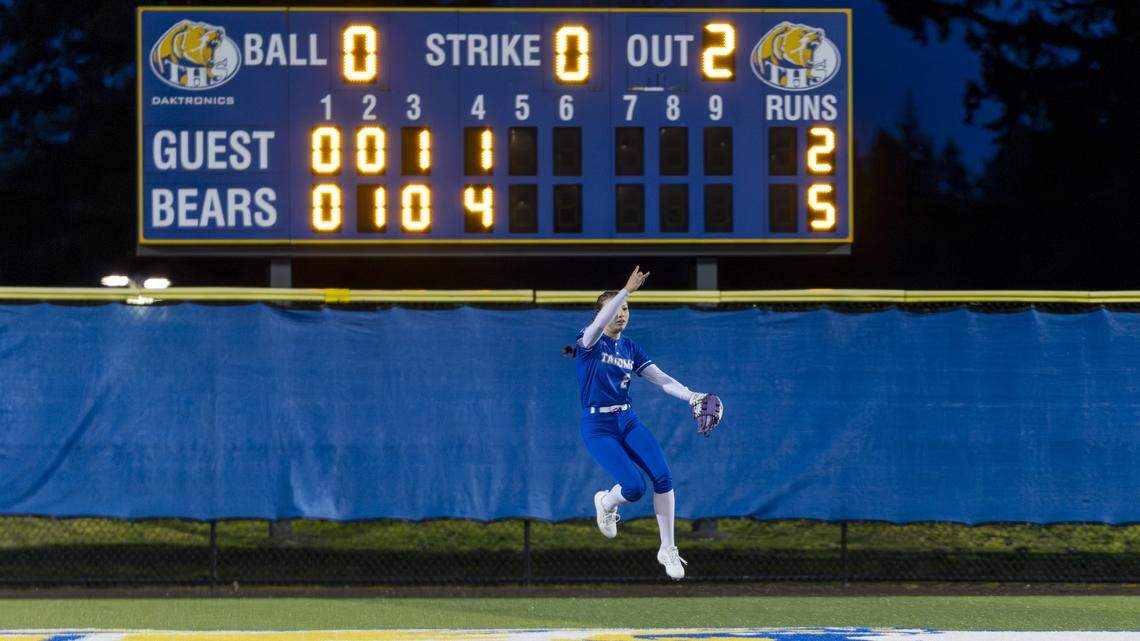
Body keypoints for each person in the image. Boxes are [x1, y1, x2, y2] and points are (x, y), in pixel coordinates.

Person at [574, 265, 709, 580]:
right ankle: (606, 501)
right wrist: (625, 290)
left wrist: (692, 396)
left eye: (625, 308)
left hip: (627, 418)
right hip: (598, 427)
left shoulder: (630, 347)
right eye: (614, 309)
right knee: (634, 487)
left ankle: (668, 549)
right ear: (601, 314)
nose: (621, 313)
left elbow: (661, 380)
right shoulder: (588, 341)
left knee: (663, 477)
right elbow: (596, 327)